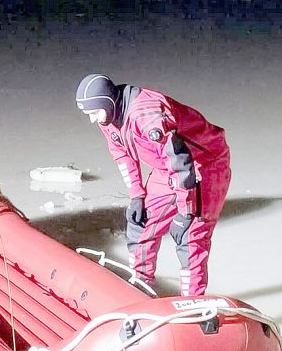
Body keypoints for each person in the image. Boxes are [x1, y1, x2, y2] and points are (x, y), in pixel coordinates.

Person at [74, 74, 231, 297]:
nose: (92, 119)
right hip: (169, 167)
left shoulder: (147, 116)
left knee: (190, 238)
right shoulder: (107, 117)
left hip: (204, 163)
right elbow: (122, 153)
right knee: (140, 223)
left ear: (108, 101)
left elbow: (180, 162)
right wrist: (137, 195)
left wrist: (185, 213)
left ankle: (193, 307)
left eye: (93, 112)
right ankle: (141, 288)